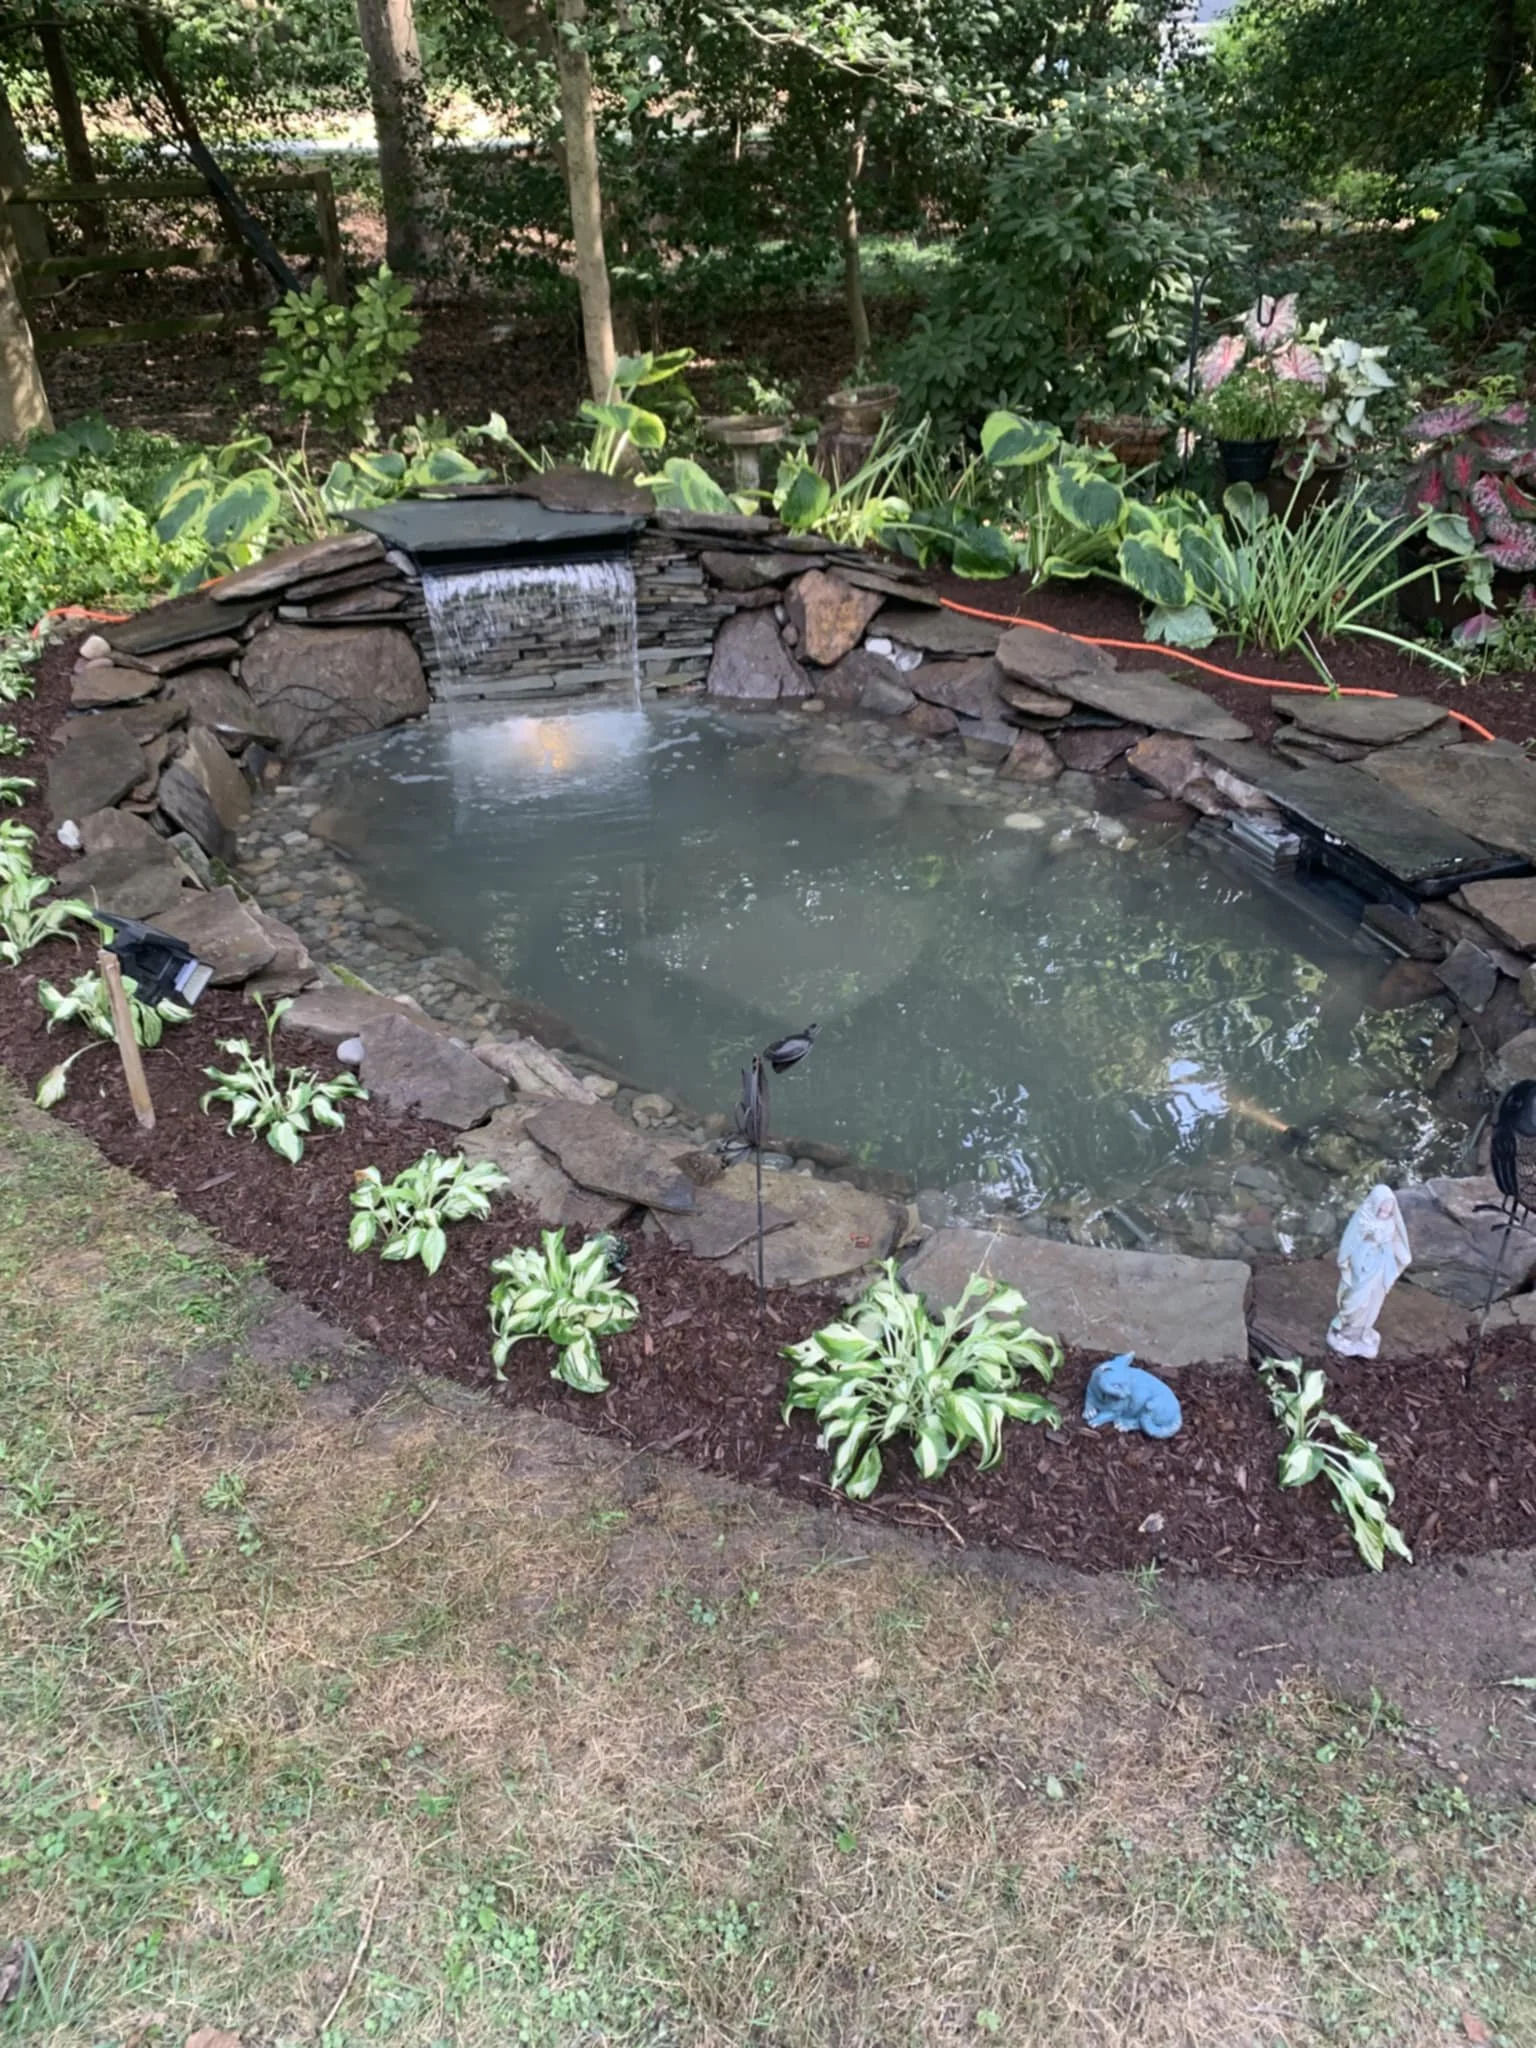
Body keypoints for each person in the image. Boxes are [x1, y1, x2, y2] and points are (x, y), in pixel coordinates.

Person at [1326, 1184, 1410, 1360]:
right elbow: (1351, 1241)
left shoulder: (1391, 1223)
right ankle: (1347, 1332)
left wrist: (1403, 1256)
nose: (1387, 1209)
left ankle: (1363, 1331)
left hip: (1381, 1264)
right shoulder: (1364, 1218)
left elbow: (1395, 1241)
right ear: (1376, 1202)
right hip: (1363, 1263)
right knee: (1357, 1299)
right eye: (1384, 1204)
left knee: (1374, 1299)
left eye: (1390, 1205)